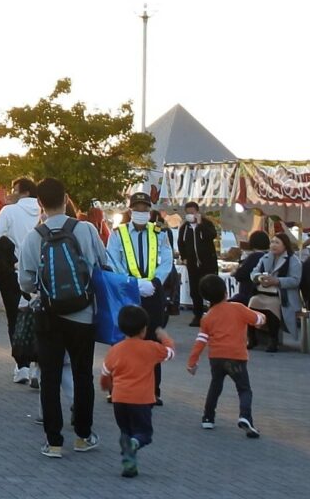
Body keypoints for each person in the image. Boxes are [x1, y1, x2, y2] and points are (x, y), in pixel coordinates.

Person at [24, 179, 106, 458]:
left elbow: (25, 281)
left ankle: (54, 442)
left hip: (49, 316)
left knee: (50, 377)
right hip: (83, 315)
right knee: (83, 375)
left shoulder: (34, 236)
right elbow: (102, 264)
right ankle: (83, 436)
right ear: (66, 198)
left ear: (40, 204)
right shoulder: (85, 229)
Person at [106, 192, 176, 394]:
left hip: (153, 292)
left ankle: (154, 390)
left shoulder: (159, 232)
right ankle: (117, 387)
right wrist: (132, 283)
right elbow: (113, 260)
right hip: (128, 291)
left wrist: (154, 282)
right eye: (137, 207)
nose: (141, 211)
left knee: (153, 339)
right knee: (122, 339)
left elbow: (167, 260)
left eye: (145, 207)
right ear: (131, 209)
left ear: (150, 210)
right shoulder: (118, 233)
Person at [185, 275, 265, 437]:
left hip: (216, 357)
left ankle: (208, 417)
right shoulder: (237, 308)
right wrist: (262, 317)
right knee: (244, 389)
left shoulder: (207, 317)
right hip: (236, 357)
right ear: (226, 292)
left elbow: (200, 341)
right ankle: (245, 416)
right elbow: (257, 319)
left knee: (215, 386)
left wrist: (192, 362)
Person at [101, 304, 170, 478]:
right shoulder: (151, 348)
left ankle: (129, 464)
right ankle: (133, 444)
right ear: (144, 329)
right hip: (141, 400)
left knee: (126, 430)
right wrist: (165, 338)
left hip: (119, 399)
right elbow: (170, 353)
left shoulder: (115, 350)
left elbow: (105, 373)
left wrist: (107, 386)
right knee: (144, 434)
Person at [0, 180, 42, 385]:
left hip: (13, 272)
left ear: (24, 192)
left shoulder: (9, 211)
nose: (12, 193)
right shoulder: (44, 211)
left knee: (15, 318)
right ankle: (39, 368)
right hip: (42, 274)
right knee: (41, 320)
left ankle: (21, 366)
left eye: (15, 190)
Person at [177, 202, 222, 317]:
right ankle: (197, 315)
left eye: (192, 212)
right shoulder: (185, 227)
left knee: (211, 287)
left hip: (208, 262)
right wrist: (184, 257)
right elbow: (181, 243)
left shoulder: (207, 224)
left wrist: (200, 224)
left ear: (197, 212)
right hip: (192, 264)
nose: (190, 215)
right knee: (194, 290)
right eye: (188, 213)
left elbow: (212, 235)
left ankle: (214, 313)